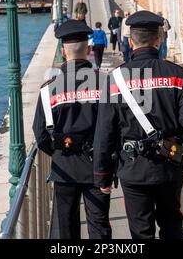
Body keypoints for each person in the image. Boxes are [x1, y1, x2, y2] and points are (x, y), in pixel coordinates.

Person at [94, 10, 183, 240]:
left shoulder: (115, 79)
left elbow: (105, 132)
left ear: (131, 42)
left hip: (133, 169)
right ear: (158, 39)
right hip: (170, 164)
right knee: (172, 225)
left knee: (141, 232)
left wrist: (102, 175)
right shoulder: (178, 75)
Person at [33, 20, 112, 239]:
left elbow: (40, 136)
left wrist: (61, 150)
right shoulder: (106, 83)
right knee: (99, 226)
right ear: (88, 51)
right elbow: (116, 127)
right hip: (98, 166)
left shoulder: (48, 90)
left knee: (67, 228)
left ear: (63, 52)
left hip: (64, 168)